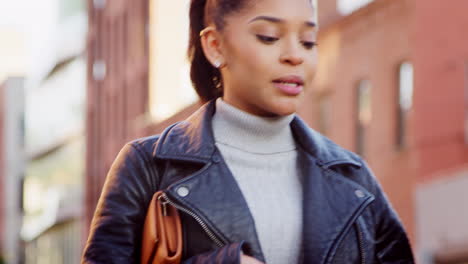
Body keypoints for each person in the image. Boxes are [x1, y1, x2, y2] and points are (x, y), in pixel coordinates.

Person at [82, 0, 414, 263]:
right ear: (215, 46)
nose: (294, 55)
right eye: (269, 36)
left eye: (308, 41)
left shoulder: (353, 177)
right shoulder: (148, 165)